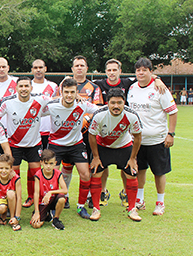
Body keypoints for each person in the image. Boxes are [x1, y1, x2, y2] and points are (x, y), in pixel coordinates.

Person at [93, 59, 166, 207]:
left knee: (125, 166)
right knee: (102, 166)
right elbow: (78, 81)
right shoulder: (98, 84)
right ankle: (103, 191)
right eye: (109, 70)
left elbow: (144, 76)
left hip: (124, 133)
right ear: (105, 72)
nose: (112, 73)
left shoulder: (128, 83)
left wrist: (157, 79)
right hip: (106, 131)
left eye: (115, 70)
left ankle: (126, 193)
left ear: (120, 71)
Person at [43, 77, 99, 220]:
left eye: (72, 92)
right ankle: (52, 205)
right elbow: (34, 109)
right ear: (61, 92)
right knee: (52, 176)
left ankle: (81, 206)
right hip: (56, 144)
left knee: (85, 174)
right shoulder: (52, 105)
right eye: (66, 92)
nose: (69, 95)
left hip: (76, 144)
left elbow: (100, 110)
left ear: (76, 93)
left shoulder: (83, 104)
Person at [127, 58, 178, 216]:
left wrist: (170, 133)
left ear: (151, 71)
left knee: (159, 172)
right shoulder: (132, 88)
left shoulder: (160, 89)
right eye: (138, 70)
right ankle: (140, 200)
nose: (141, 73)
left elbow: (173, 112)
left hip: (157, 139)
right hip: (137, 140)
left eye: (144, 70)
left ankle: (160, 202)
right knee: (139, 170)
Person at [0, 77, 50, 209]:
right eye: (21, 86)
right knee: (12, 174)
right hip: (15, 145)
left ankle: (33, 198)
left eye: (26, 86)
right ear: (16, 88)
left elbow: (58, 101)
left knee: (36, 173)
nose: (24, 89)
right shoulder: (8, 103)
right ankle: (12, 200)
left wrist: (76, 98)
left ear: (31, 88)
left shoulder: (40, 100)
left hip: (34, 144)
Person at [55, 55, 103, 209]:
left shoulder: (94, 88)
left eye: (82, 65)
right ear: (72, 69)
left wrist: (85, 121)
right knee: (66, 166)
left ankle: (88, 197)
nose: (79, 68)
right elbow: (58, 105)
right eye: (77, 65)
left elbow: (98, 109)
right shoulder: (62, 86)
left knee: (88, 167)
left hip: (87, 134)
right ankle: (65, 195)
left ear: (87, 68)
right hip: (66, 133)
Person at [88, 88, 143, 221]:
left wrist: (132, 158)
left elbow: (138, 137)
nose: (116, 106)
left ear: (124, 102)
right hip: (103, 147)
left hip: (123, 147)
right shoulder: (99, 114)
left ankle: (132, 209)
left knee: (131, 174)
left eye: (119, 102)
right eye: (113, 103)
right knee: (95, 173)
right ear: (107, 103)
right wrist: (95, 157)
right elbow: (92, 135)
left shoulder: (132, 115)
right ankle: (96, 208)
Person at [30, 149, 68, 230]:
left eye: (51, 163)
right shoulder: (38, 175)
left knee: (61, 198)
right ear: (41, 163)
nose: (48, 166)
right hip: (43, 201)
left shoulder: (58, 174)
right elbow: (36, 193)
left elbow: (65, 190)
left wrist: (50, 192)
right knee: (36, 225)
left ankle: (56, 219)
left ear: (55, 163)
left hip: (54, 199)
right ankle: (47, 215)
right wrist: (36, 212)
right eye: (46, 163)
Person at [0, 154, 22, 231]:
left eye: (7, 168)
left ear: (11, 168)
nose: (4, 171)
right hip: (2, 200)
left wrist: (17, 217)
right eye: (1, 168)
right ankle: (2, 215)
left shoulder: (16, 178)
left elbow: (19, 198)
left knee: (10, 193)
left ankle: (13, 219)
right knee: (0, 208)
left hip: (13, 199)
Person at [31, 59, 58, 148]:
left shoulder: (53, 86)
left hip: (49, 129)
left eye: (40, 67)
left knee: (48, 159)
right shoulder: (27, 86)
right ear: (32, 70)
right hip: (31, 129)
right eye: (35, 68)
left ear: (45, 69)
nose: (38, 70)